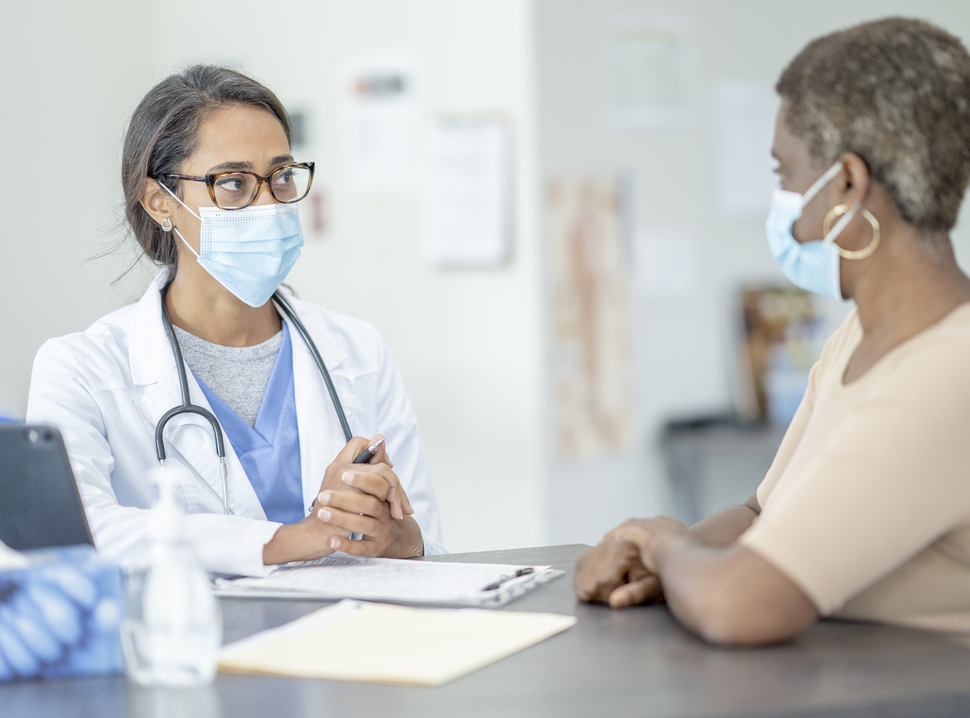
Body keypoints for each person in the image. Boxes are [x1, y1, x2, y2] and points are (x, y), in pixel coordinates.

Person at [574, 17, 970, 645]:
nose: (783, 204)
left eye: (785, 175)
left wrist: (673, 548)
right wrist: (646, 552)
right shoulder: (857, 338)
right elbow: (764, 513)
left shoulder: (951, 371)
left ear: (846, 184)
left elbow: (739, 604)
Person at [27, 65, 444, 576]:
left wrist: (405, 540)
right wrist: (297, 539)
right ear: (160, 201)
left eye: (282, 176)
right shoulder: (81, 369)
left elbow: (426, 545)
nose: (268, 203)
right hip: (189, 647)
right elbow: (81, 536)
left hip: (349, 641)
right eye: (233, 182)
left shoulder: (358, 350)